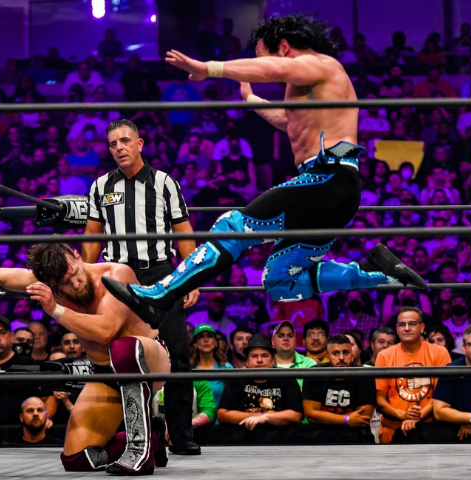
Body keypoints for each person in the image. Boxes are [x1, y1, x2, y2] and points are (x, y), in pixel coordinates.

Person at [102, 13, 425, 333]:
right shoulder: (312, 87)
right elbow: (292, 122)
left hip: (327, 179)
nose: (259, 66)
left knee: (233, 227)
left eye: (261, 57)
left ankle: (159, 296)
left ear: (283, 47)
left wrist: (209, 69)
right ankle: (376, 271)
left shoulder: (320, 64)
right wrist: (252, 99)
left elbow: (275, 69)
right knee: (280, 282)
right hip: (331, 188)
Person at [0, 243, 170, 475]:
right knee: (77, 459)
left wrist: (55, 309)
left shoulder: (116, 273)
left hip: (147, 360)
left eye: (75, 273)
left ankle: (140, 451)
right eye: (65, 282)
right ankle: (153, 438)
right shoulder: (48, 281)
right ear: (51, 282)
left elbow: (107, 331)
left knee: (124, 347)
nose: (75, 284)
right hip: (104, 372)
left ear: (77, 256)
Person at [82, 119, 201, 456]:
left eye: (124, 141)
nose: (118, 148)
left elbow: (183, 231)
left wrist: (191, 276)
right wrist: (89, 280)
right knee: (119, 355)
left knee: (177, 353)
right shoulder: (100, 186)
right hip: (118, 277)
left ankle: (181, 434)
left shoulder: (164, 183)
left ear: (139, 144)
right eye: (112, 144)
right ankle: (127, 434)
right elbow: (92, 235)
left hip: (161, 274)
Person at [375, 306, 451, 443]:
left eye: (412, 324)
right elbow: (380, 400)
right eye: (402, 324)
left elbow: (441, 395)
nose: (406, 328)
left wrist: (417, 418)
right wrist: (403, 415)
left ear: (422, 328)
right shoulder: (384, 356)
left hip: (430, 428)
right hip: (393, 428)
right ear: (397, 329)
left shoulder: (439, 352)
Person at [217, 334, 303, 435]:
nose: (259, 360)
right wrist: (260, 416)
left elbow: (296, 415)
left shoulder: (286, 378)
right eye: (254, 356)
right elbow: (222, 414)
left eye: (264, 356)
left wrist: (265, 418)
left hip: (279, 438)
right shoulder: (236, 379)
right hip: (243, 438)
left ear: (273, 360)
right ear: (247, 362)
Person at [301, 334, 376, 443]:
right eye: (335, 353)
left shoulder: (364, 375)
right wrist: (346, 419)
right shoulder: (314, 373)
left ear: (352, 356)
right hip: (321, 435)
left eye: (345, 352)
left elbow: (363, 417)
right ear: (328, 357)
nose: (341, 358)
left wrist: (326, 417)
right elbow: (311, 415)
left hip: (354, 436)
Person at [271, 320, 316, 389]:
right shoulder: (266, 364)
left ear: (295, 341)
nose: (286, 338)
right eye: (281, 336)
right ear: (273, 341)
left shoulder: (309, 364)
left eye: (290, 335)